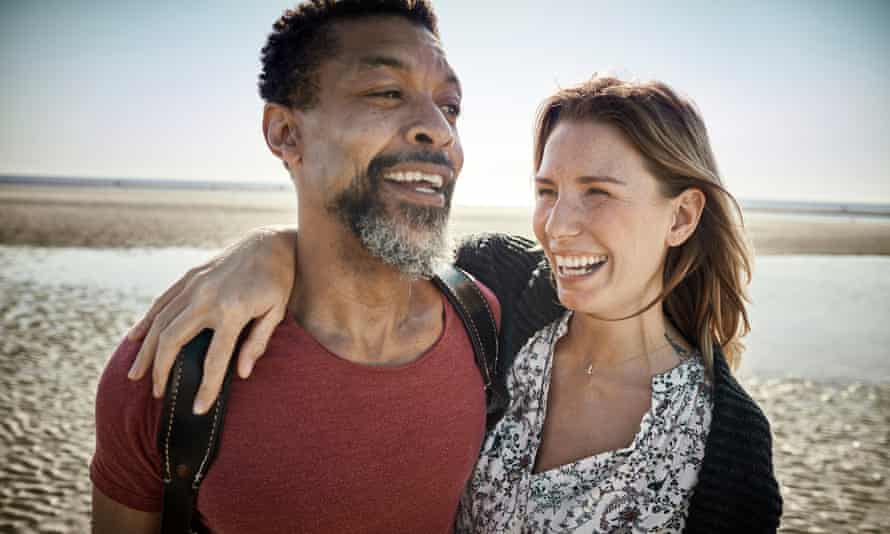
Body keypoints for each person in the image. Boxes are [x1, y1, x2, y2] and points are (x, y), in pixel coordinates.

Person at [130, 75, 783, 532]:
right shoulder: (496, 291)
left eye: (598, 193)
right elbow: (364, 269)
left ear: (682, 216)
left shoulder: (729, 441)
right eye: (548, 189)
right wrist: (273, 250)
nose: (558, 225)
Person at [90, 2, 503, 532]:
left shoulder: (483, 322)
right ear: (285, 132)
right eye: (386, 92)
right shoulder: (171, 363)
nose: (438, 130)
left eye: (451, 106)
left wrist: (274, 244)